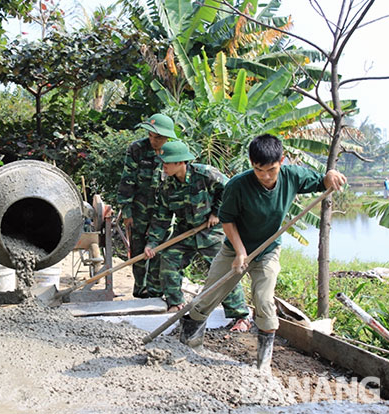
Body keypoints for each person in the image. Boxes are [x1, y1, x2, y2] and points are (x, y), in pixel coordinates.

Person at [178, 134, 346, 371]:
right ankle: (188, 345)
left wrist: (330, 176)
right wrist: (239, 252)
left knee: (265, 302)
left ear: (282, 161)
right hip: (234, 250)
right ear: (251, 163)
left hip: (267, 250)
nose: (265, 176)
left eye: (271, 170)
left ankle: (262, 365)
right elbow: (227, 220)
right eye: (259, 170)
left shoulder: (292, 176)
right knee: (208, 296)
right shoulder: (237, 185)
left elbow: (322, 180)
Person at [143, 141, 251, 332]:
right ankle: (176, 304)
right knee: (168, 258)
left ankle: (240, 316)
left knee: (226, 270)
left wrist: (217, 212)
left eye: (167, 162)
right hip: (186, 231)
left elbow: (231, 191)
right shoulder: (167, 186)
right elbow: (162, 217)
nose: (164, 166)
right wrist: (152, 243)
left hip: (213, 231)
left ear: (180, 162)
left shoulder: (206, 174)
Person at [117, 114, 176, 298]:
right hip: (139, 209)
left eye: (157, 137)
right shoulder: (137, 149)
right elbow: (127, 180)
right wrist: (127, 211)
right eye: (150, 135)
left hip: (164, 211)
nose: (153, 140)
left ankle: (155, 290)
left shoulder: (174, 151)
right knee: (138, 248)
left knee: (159, 249)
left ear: (167, 137)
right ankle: (140, 290)